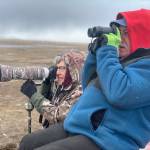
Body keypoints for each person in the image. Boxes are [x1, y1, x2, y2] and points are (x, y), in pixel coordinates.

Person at [19, 9, 150, 150]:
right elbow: (89, 84)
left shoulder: (145, 66)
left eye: (126, 32)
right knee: (28, 142)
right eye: (118, 32)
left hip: (110, 139)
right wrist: (95, 53)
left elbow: (120, 94)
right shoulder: (118, 62)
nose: (120, 39)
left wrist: (108, 51)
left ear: (143, 34)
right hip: (81, 125)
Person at [20, 50, 85, 128]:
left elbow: (57, 116)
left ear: (74, 70)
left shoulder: (81, 91)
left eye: (62, 68)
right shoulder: (64, 86)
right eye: (57, 68)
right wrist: (46, 81)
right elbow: (50, 103)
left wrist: (33, 95)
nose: (57, 72)